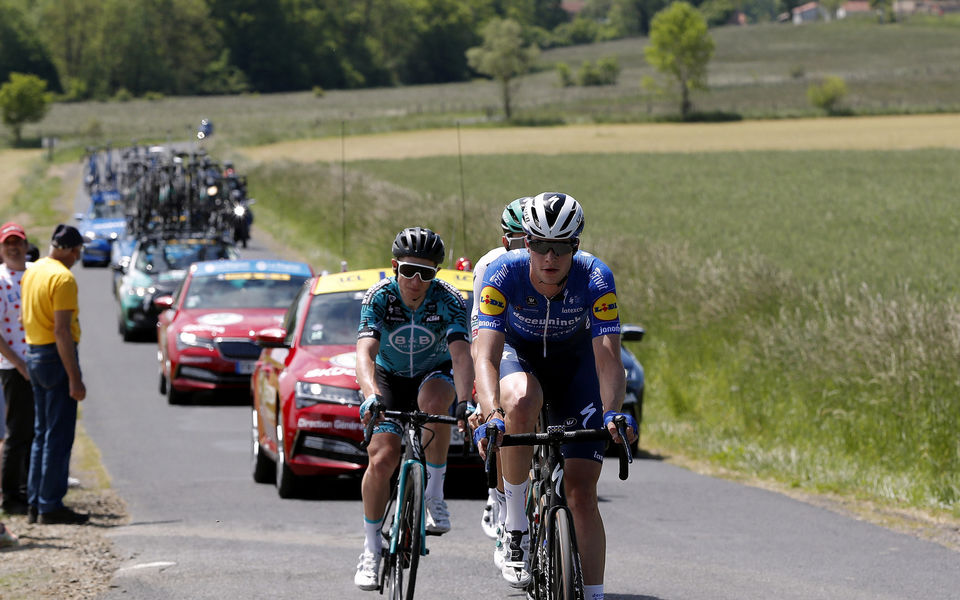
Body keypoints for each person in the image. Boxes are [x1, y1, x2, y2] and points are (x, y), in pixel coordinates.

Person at [472, 192, 638, 599]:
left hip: (574, 364)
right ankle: (515, 526)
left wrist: (614, 412)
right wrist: (491, 411)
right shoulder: (501, 273)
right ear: (525, 243)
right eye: (540, 245)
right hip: (519, 356)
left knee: (582, 493)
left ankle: (595, 594)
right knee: (521, 402)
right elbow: (486, 355)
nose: (550, 257)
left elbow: (608, 360)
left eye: (561, 247)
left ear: (575, 246)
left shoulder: (597, 278)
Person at [353, 227, 474, 590]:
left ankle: (434, 495)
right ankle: (371, 549)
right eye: (409, 271)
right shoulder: (379, 296)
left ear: (436, 274)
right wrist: (371, 394)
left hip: (430, 373)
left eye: (426, 273)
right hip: (387, 378)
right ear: (395, 267)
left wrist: (466, 401)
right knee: (382, 458)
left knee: (438, 402)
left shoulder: (449, 299)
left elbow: (460, 354)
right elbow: (365, 352)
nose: (417, 280)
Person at [468, 197, 531, 565]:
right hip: (501, 345)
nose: (528, 251)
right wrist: (482, 401)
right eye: (519, 242)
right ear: (505, 242)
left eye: (533, 241)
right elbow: (482, 342)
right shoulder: (490, 267)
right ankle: (501, 497)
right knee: (499, 419)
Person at [21, 224, 89, 525]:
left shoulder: (33, 270)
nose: (76, 258)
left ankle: (35, 502)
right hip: (55, 355)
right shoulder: (63, 278)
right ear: (72, 251)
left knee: (41, 432)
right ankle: (50, 504)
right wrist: (75, 377)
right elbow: (61, 331)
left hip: (34, 352)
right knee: (58, 435)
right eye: (77, 253)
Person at [0, 223, 35, 515]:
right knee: (17, 430)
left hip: (42, 361)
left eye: (18, 242)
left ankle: (31, 488)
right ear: (1, 249)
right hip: (13, 365)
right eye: (8, 243)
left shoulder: (35, 272)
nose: (13, 248)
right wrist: (18, 363)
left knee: (37, 430)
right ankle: (11, 496)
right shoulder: (1, 280)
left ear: (25, 245)